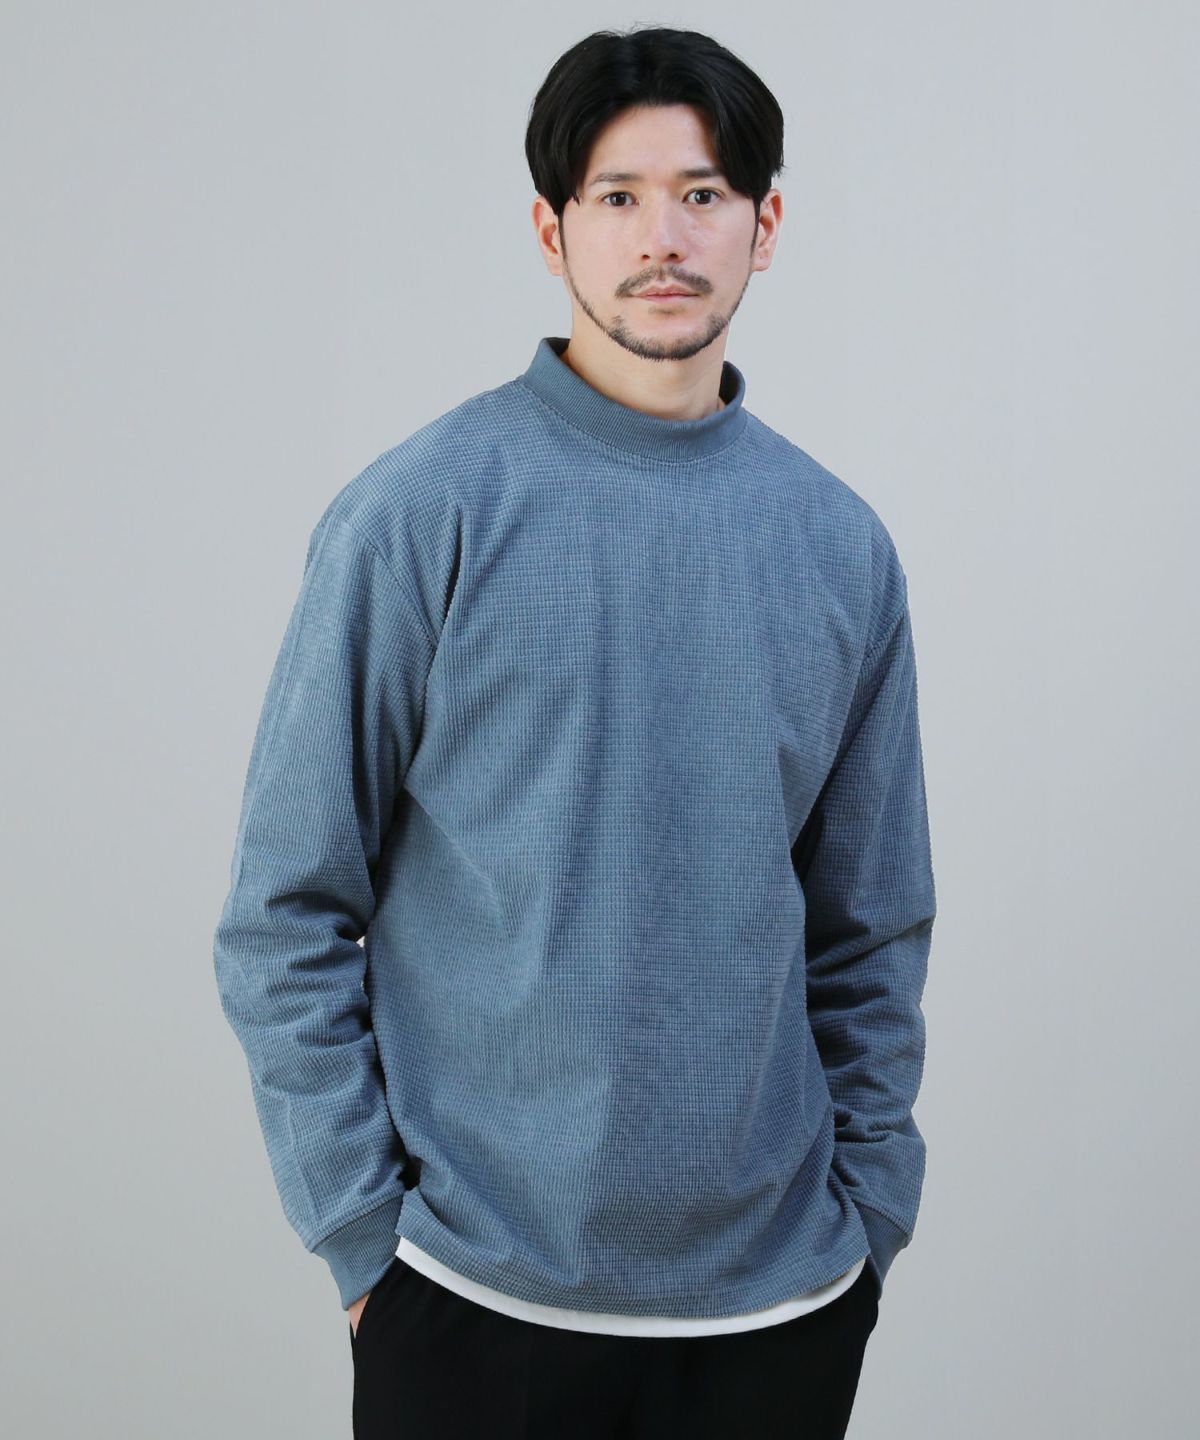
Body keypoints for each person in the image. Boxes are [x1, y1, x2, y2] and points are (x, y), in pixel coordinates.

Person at [213, 23, 937, 1439]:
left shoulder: (840, 548)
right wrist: (363, 1243)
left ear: (765, 226)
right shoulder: (421, 514)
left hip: (780, 1313)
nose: (663, 237)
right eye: (618, 196)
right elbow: (284, 909)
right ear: (552, 231)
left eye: (703, 193)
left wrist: (870, 1221)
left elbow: (872, 927)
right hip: (472, 1305)